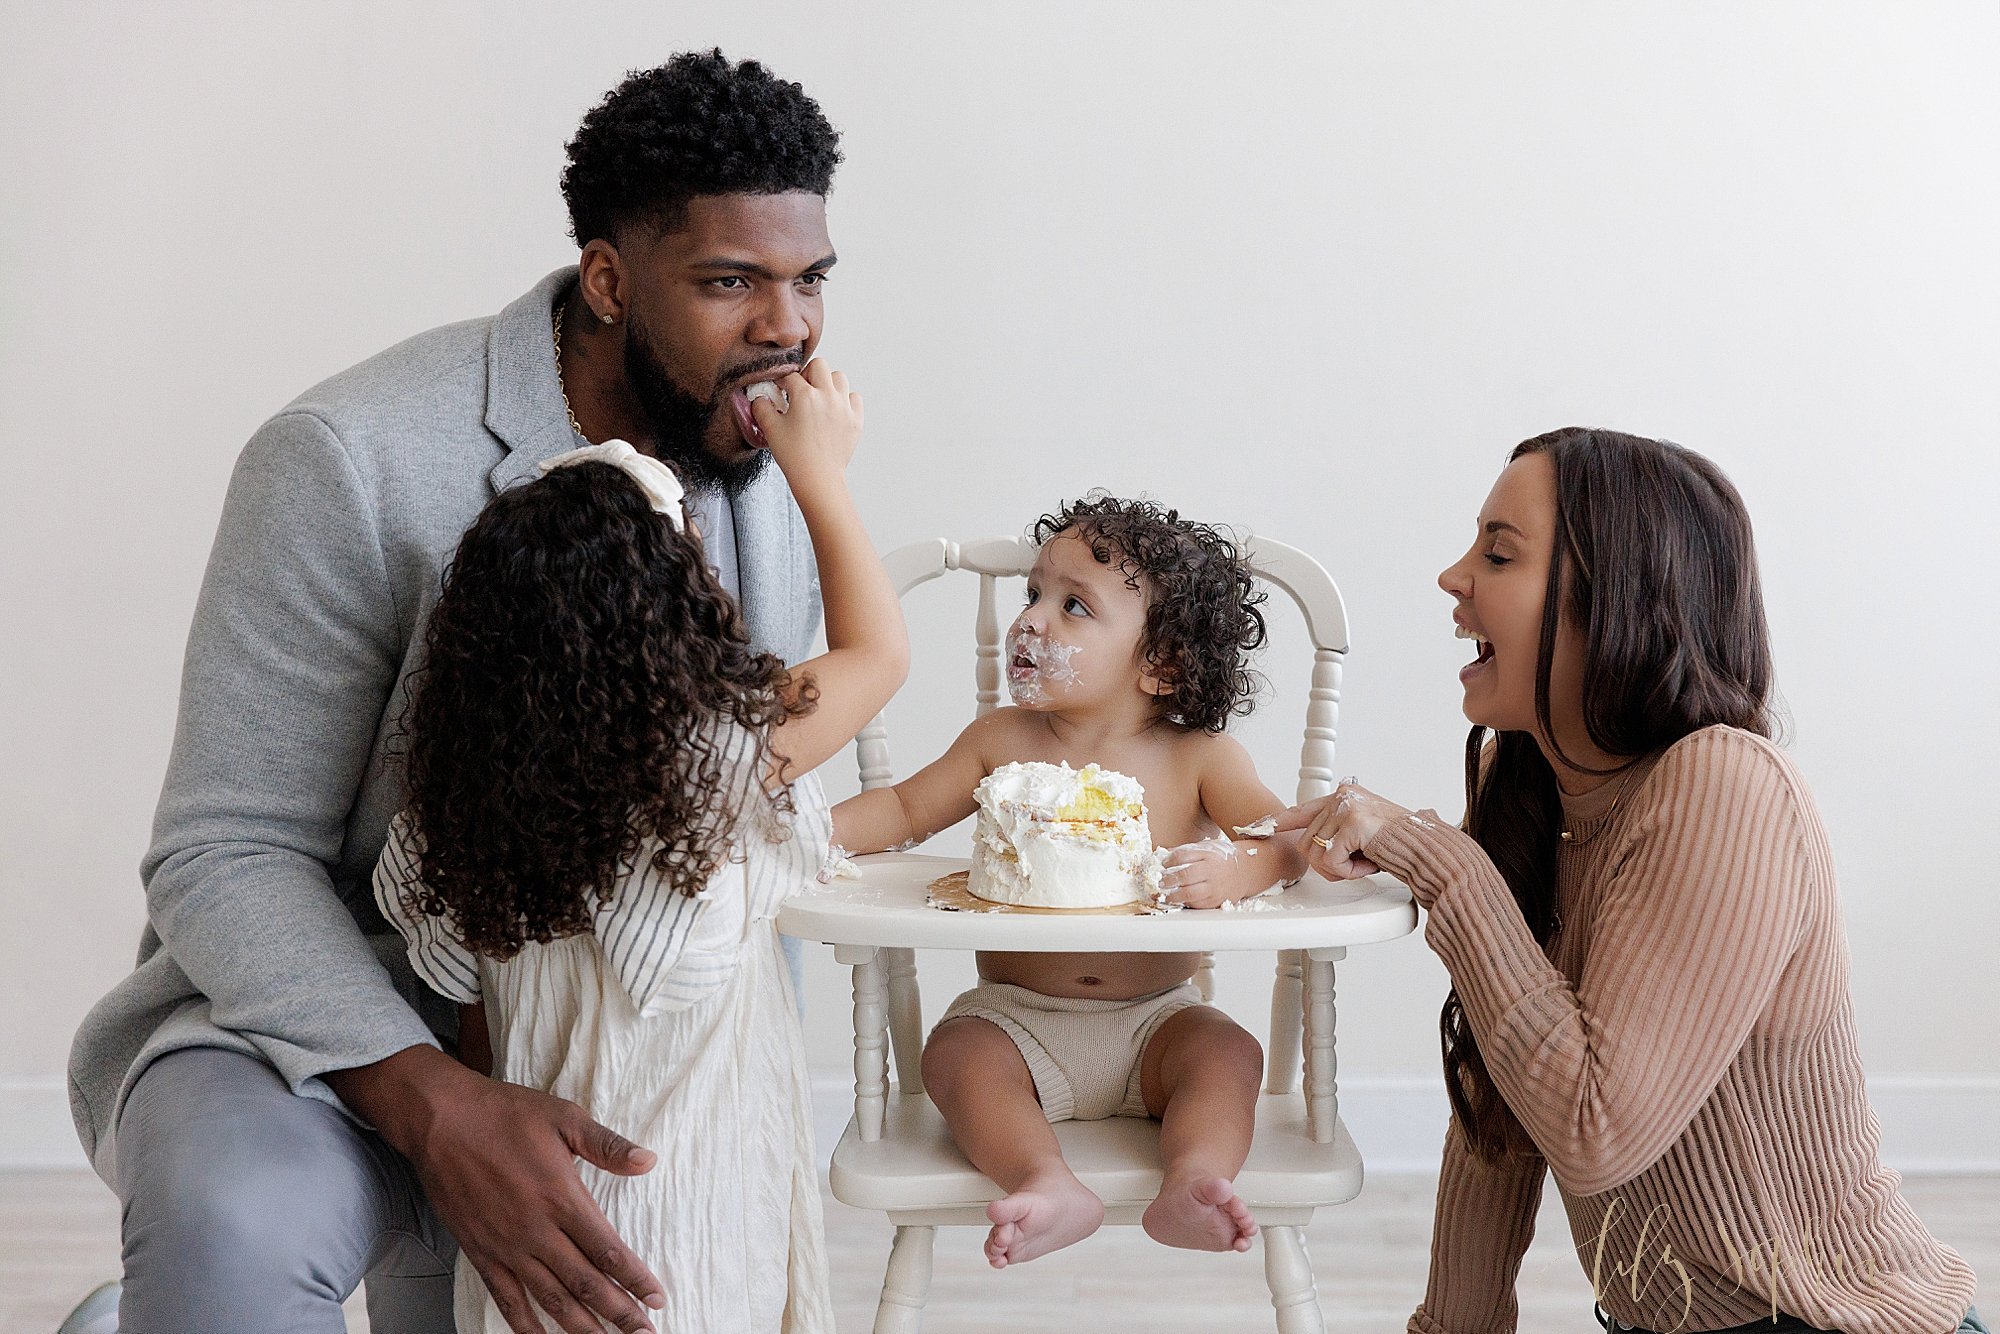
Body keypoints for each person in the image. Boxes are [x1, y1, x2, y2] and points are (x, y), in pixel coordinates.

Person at [65, 50, 847, 1334]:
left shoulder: (773, 462)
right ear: (607, 279)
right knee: (233, 1241)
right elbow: (226, 850)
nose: (788, 327)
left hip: (602, 1044)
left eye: (809, 279)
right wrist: (436, 1098)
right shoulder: (347, 462)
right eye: (728, 283)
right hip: (335, 1027)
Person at [1277, 428, 1982, 1334]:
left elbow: (1592, 1126)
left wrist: (1439, 856)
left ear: (1617, 595)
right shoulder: (1531, 783)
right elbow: (1501, 1113)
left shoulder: (1726, 785)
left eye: (1499, 553)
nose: (1454, 579)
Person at [374, 358, 901, 1333]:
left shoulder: (457, 804)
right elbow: (878, 657)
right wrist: (818, 470)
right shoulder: (706, 761)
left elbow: (482, 1029)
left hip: (538, 1220)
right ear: (672, 623)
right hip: (687, 1214)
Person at [832, 494, 1312, 1269]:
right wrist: (809, 832)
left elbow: (1286, 844)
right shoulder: (1000, 741)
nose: (1032, 621)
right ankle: (1044, 1179)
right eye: (1033, 594)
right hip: (1016, 1020)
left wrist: (1237, 869)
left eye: (1074, 606)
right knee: (953, 1055)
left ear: (1161, 664)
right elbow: (902, 808)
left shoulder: (1201, 760)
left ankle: (1194, 1177)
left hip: (1157, 1021)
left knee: (1228, 1053)